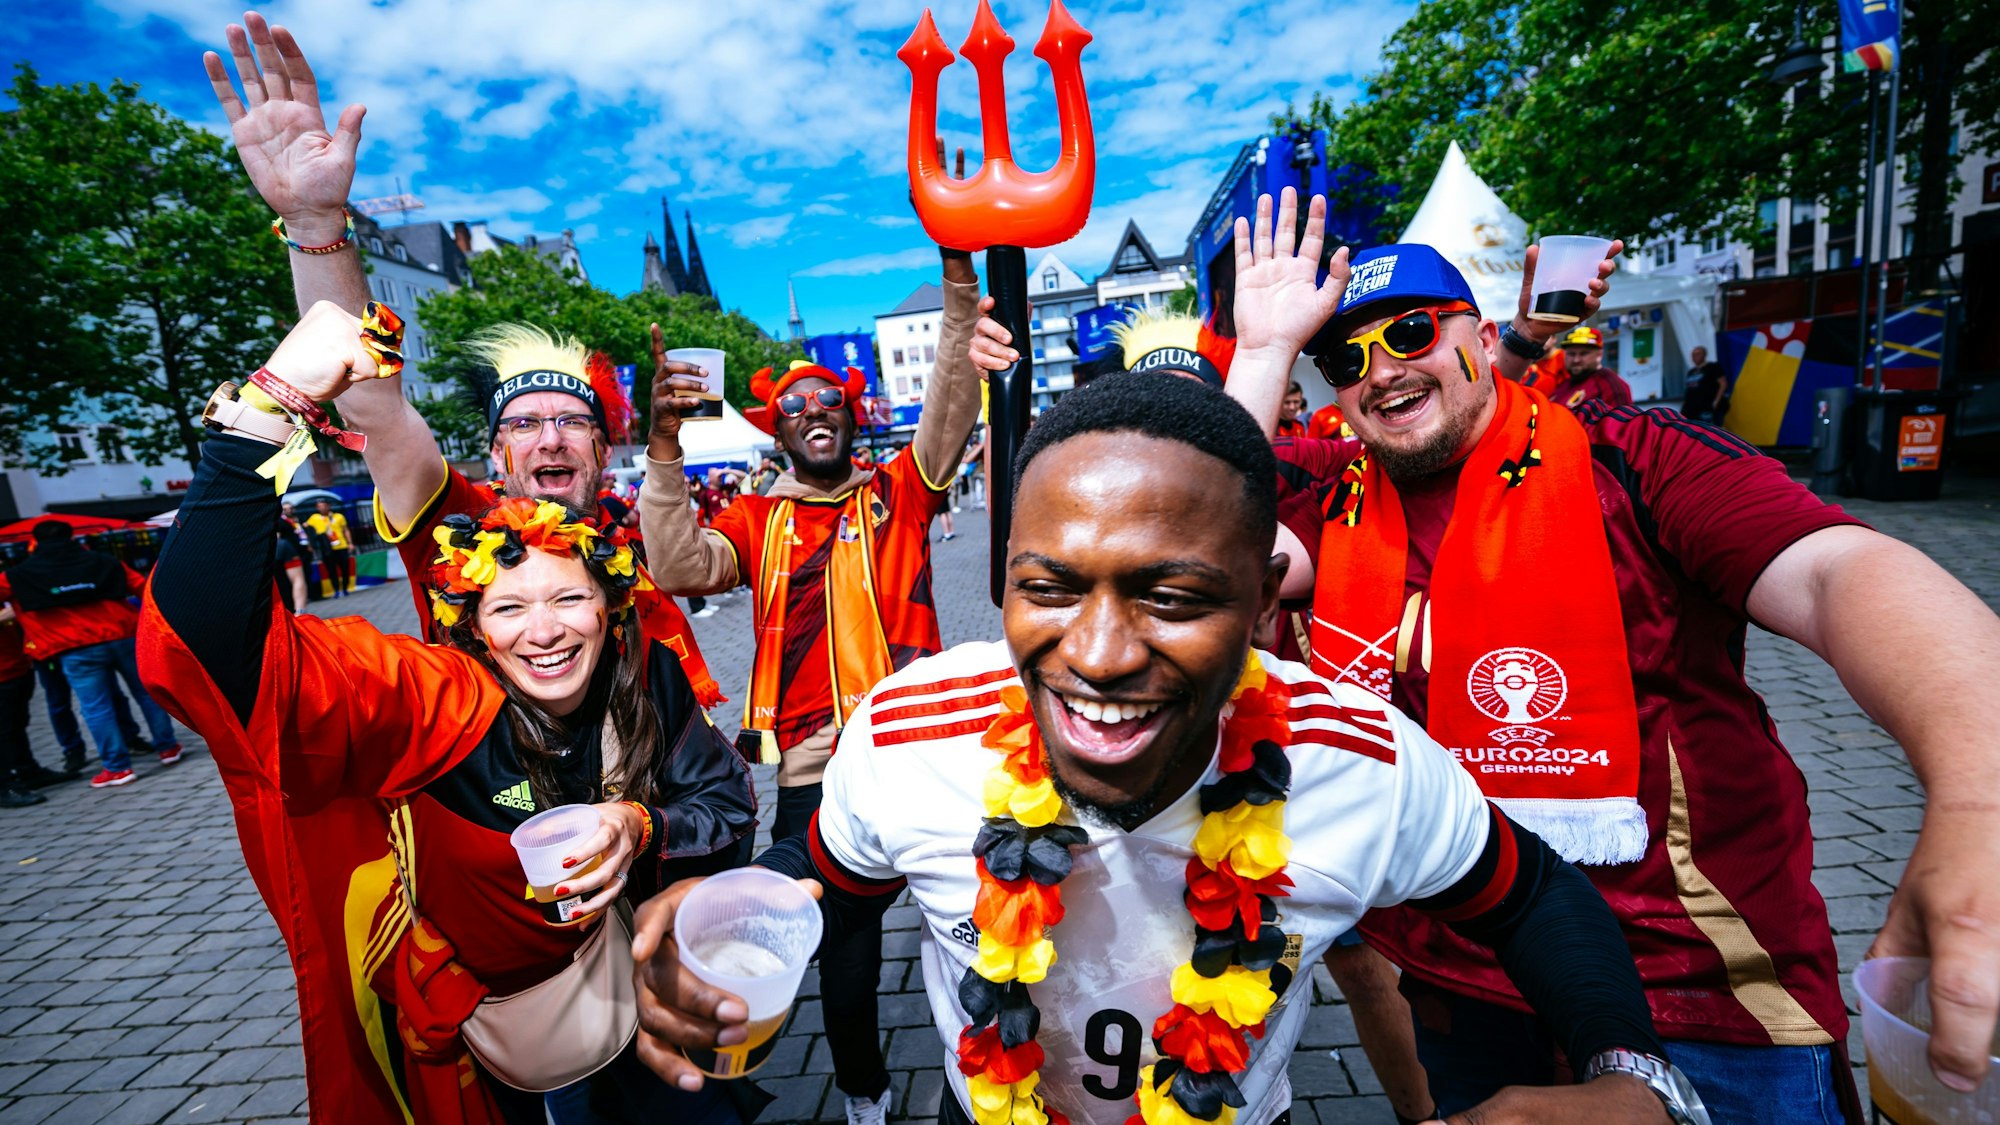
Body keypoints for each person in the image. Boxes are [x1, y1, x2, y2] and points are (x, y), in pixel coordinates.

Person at [631, 371, 1697, 1125]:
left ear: (1258, 595)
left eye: (1172, 595)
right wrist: (729, 918)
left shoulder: (1359, 759)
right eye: (1046, 587)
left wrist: (1630, 1073)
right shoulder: (912, 731)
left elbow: (1527, 894)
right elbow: (830, 878)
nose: (1094, 655)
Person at [1225, 187, 2000, 1119]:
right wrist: (1266, 350)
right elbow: (1201, 540)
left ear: (1478, 334)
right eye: (1347, 358)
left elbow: (1845, 574)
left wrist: (1977, 797)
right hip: (1460, 974)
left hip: (1697, 990)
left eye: (1413, 334)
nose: (1382, 370)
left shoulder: (1634, 459)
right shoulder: (1331, 504)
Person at [139, 302, 756, 1124]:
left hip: (644, 971)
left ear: (610, 608)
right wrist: (265, 411)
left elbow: (723, 795)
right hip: (504, 1010)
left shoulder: (643, 655)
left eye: (573, 420)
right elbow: (213, 644)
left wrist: (640, 827)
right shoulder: (440, 683)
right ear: (467, 617)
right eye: (525, 421)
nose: (543, 629)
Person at [202, 12, 721, 709]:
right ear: (495, 453)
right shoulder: (454, 521)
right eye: (524, 424)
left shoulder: (631, 546)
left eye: (572, 422)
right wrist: (315, 227)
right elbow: (372, 402)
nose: (549, 437)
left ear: (602, 448)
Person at [639, 247, 986, 1125]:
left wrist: (957, 281)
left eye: (829, 401)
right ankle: (868, 1096)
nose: (814, 413)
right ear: (778, 429)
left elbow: (950, 402)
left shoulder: (901, 494)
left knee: (986, 931)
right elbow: (678, 563)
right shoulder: (756, 518)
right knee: (847, 955)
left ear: (851, 414)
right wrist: (665, 445)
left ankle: (987, 1080)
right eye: (794, 408)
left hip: (924, 751)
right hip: (812, 768)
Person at [0, 521, 180, 788]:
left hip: (75, 648)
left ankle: (118, 768)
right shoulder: (105, 561)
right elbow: (145, 588)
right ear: (71, 535)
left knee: (96, 707)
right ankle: (168, 747)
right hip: (123, 636)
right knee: (146, 693)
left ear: (34, 542)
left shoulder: (18, 575)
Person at [0, 607, 67, 806]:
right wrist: (14, 610)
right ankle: (6, 786)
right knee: (3, 731)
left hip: (15, 665)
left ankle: (27, 770)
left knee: (16, 724)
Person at [1539, 326, 1633, 411]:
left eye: (1584, 353)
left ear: (1599, 354)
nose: (1576, 360)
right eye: (1571, 354)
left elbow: (1621, 426)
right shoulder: (1564, 385)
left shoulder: (1611, 385)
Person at [306, 497, 354, 597]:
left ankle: (345, 588)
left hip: (341, 546)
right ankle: (336, 590)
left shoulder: (338, 516)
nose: (322, 508)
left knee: (345, 568)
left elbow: (346, 530)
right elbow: (304, 528)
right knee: (331, 570)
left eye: (324, 505)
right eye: (319, 506)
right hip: (326, 548)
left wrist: (350, 543)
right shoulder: (314, 518)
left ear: (328, 506)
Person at [1680, 346, 1728, 422]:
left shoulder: (1713, 367)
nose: (1695, 357)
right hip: (1690, 410)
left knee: (1709, 431)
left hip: (1706, 408)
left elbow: (1723, 383)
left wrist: (1716, 402)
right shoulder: (1691, 372)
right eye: (1693, 355)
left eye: (1698, 354)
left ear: (1704, 355)